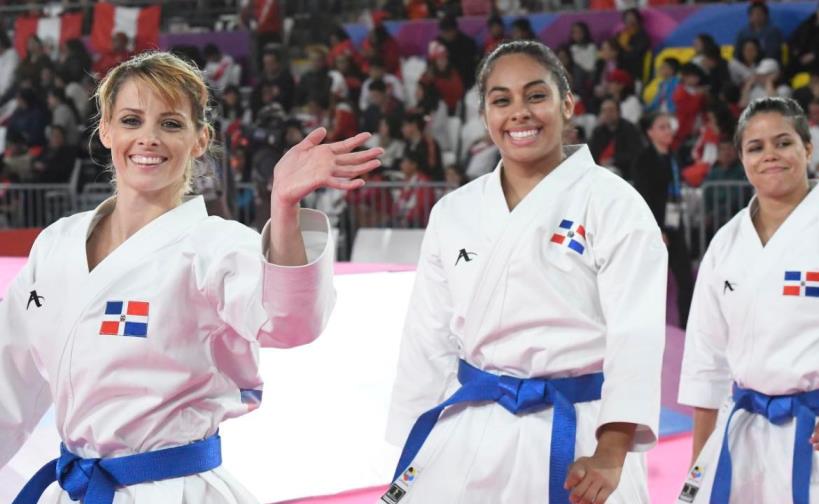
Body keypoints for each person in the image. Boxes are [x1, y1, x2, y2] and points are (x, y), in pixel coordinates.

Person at [1, 51, 383, 503]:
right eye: (131, 120)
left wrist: (283, 206)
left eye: (171, 124)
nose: (148, 138)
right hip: (78, 489)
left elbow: (290, 323)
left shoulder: (213, 245)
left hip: (173, 490)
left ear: (200, 140)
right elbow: (11, 378)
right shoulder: (56, 244)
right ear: (105, 129)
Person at [384, 40, 666, 504]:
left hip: (577, 426)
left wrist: (612, 452)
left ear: (567, 104)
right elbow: (427, 335)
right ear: (485, 115)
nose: (520, 112)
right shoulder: (455, 211)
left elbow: (635, 334)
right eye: (502, 100)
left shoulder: (614, 204)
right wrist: (413, 438)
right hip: (472, 421)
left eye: (536, 96)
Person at [677, 97, 819, 504]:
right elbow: (705, 360)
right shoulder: (726, 243)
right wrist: (699, 467)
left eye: (783, 143)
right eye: (755, 147)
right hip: (743, 435)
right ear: (741, 158)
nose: (770, 156)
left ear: (807, 149)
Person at [632, 112, 695, 329]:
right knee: (651, 282)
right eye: (662, 127)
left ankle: (687, 327)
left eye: (669, 126)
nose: (668, 131)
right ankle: (645, 326)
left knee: (685, 279)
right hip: (655, 229)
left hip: (675, 224)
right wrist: (656, 228)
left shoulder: (673, 156)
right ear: (650, 133)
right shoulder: (644, 160)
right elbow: (643, 198)